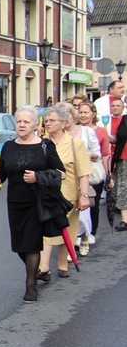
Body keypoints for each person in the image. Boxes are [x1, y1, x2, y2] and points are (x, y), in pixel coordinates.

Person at [0, 106, 65, 303]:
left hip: (36, 202)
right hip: (15, 203)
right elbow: (0, 176)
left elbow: (61, 173)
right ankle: (39, 269)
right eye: (19, 121)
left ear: (35, 125)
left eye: (26, 121)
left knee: (31, 243)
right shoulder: (8, 146)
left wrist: (38, 176)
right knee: (20, 246)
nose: (22, 125)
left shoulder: (45, 145)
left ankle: (31, 285)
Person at [39, 105, 91, 279]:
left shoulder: (75, 143)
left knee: (65, 229)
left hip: (68, 194)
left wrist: (84, 196)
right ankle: (44, 268)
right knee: (45, 229)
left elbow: (83, 172)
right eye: (46, 120)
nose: (48, 124)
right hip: (44, 194)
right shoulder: (40, 142)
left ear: (63, 123)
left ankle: (62, 264)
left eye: (52, 121)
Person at [61, 102, 100, 256]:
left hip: (82, 177)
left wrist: (86, 156)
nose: (64, 118)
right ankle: (69, 248)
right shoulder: (58, 135)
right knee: (66, 215)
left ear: (73, 115)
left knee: (82, 214)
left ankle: (84, 236)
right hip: (64, 179)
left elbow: (97, 153)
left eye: (67, 114)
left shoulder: (86, 132)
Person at [79, 101, 111, 243]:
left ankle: (91, 232)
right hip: (78, 172)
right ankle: (79, 233)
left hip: (94, 172)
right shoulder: (75, 130)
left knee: (93, 203)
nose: (83, 115)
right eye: (80, 112)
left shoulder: (101, 131)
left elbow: (104, 154)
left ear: (93, 114)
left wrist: (108, 175)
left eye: (86, 112)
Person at [108, 98, 127, 231]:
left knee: (122, 188)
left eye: (117, 105)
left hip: (124, 157)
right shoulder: (108, 120)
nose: (115, 108)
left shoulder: (124, 119)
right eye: (113, 105)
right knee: (119, 187)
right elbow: (116, 138)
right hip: (119, 157)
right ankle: (124, 219)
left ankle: (125, 220)